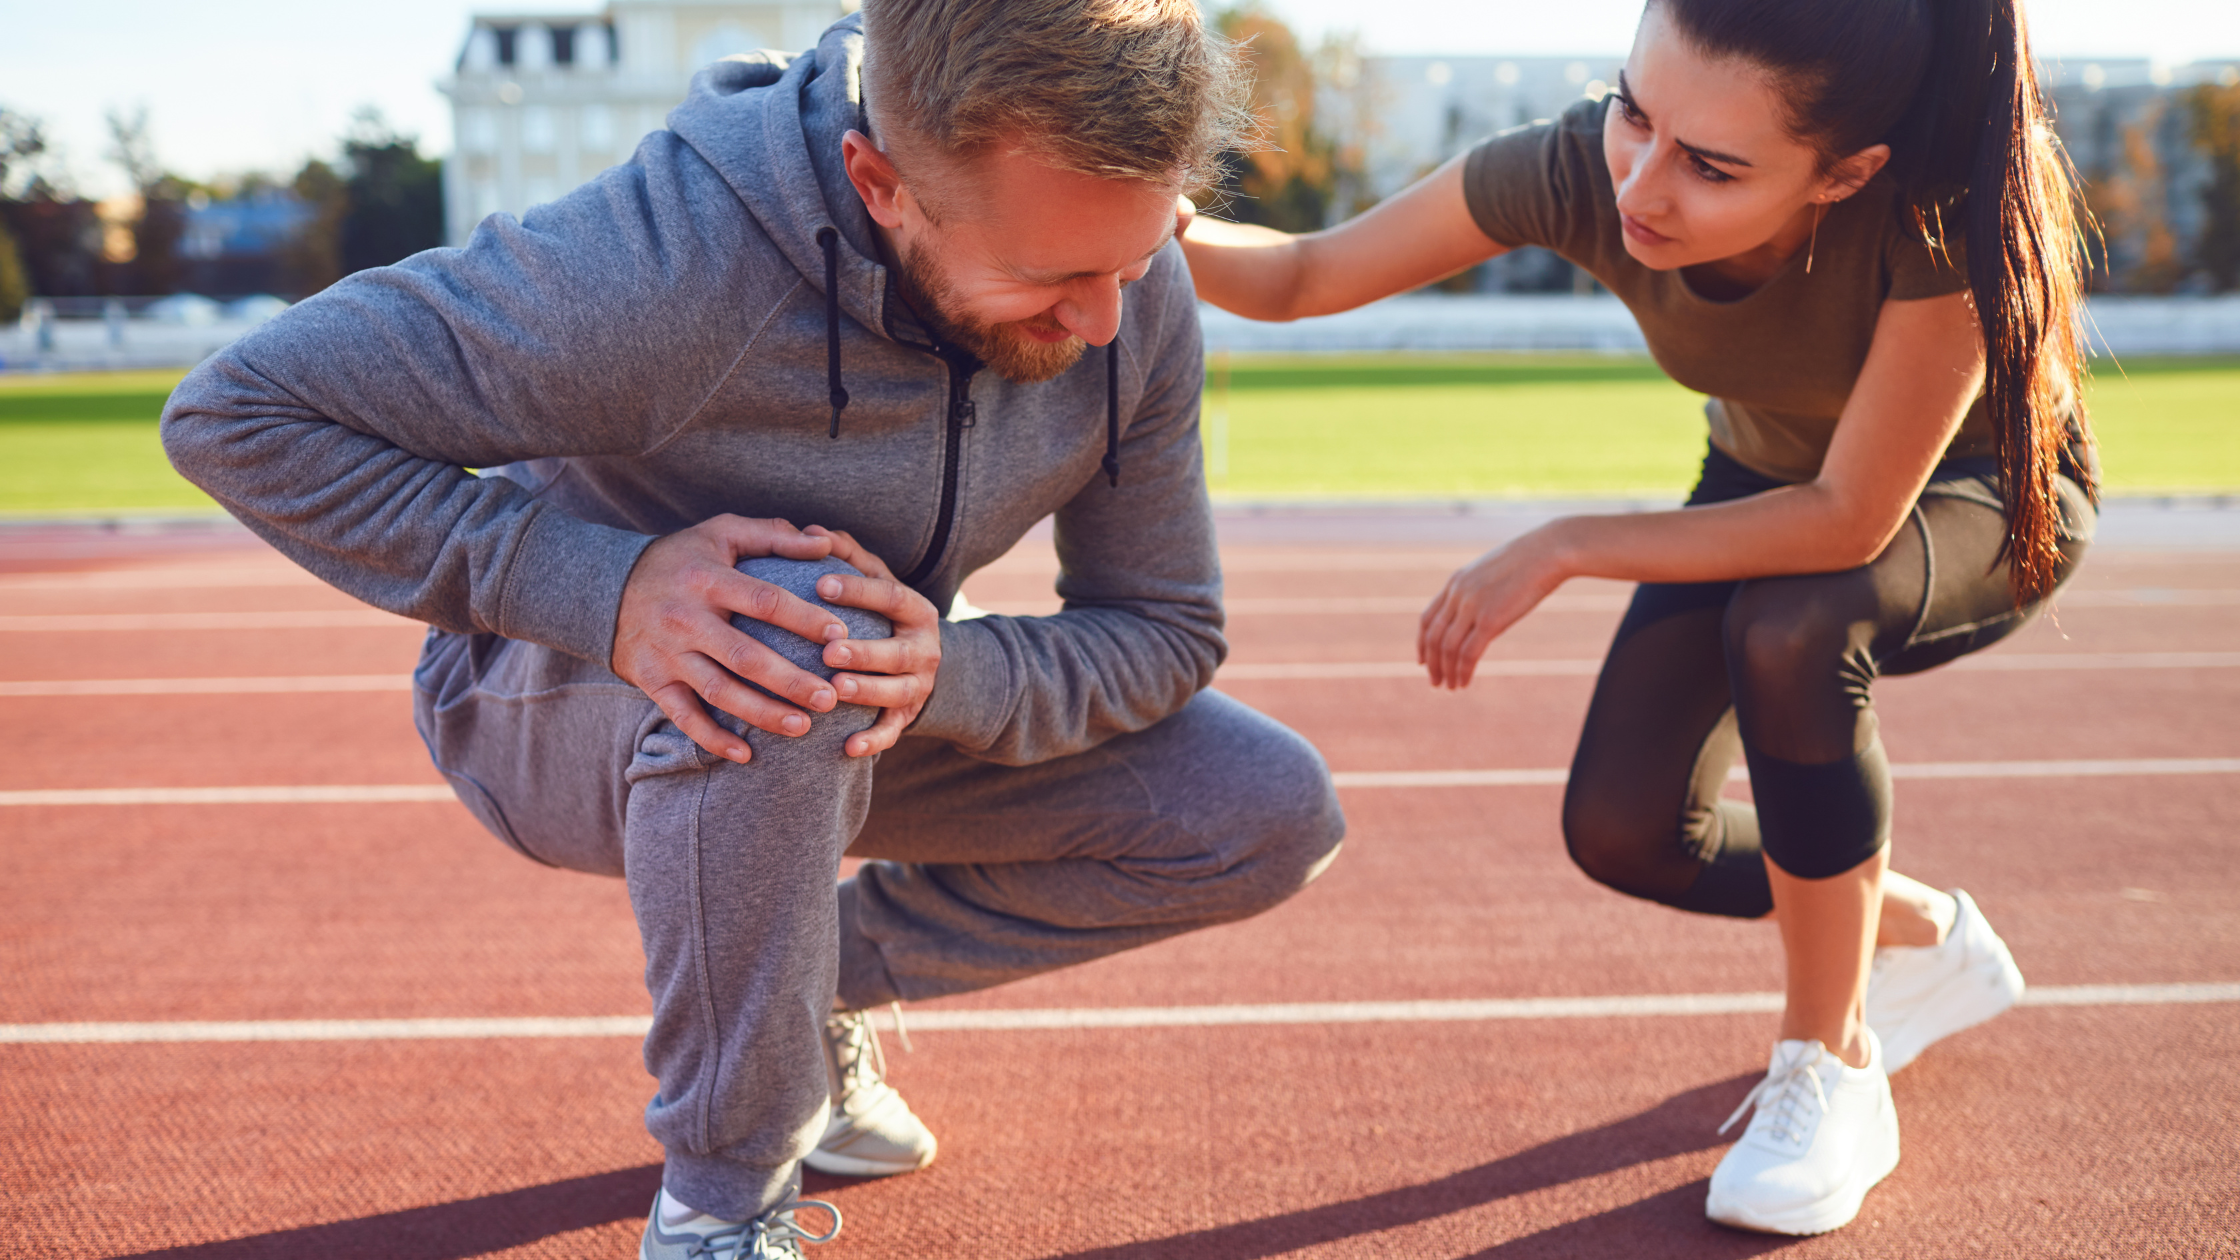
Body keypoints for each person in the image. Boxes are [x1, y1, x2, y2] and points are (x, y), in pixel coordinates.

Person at [161, 2, 1347, 1255]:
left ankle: (799, 985)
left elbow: (1163, 627)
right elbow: (239, 414)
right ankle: (718, 1205)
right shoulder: (659, 273)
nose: (1108, 321)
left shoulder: (1129, 297)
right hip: (551, 696)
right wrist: (602, 591)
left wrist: (950, 667)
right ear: (877, 183)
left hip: (849, 693)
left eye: (1142, 251)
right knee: (790, 645)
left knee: (1258, 808)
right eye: (1053, 278)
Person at [1181, 0, 2092, 1237]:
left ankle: (1828, 1062)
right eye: (1632, 112)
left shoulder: (1944, 213)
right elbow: (1298, 274)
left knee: (1792, 627)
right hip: (1764, 484)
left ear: (1845, 173)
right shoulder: (1578, 167)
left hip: (1973, 496)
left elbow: (1842, 524)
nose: (1640, 186)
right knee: (1624, 831)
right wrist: (1142, 220)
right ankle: (1925, 934)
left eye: (1710, 166)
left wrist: (1564, 546)